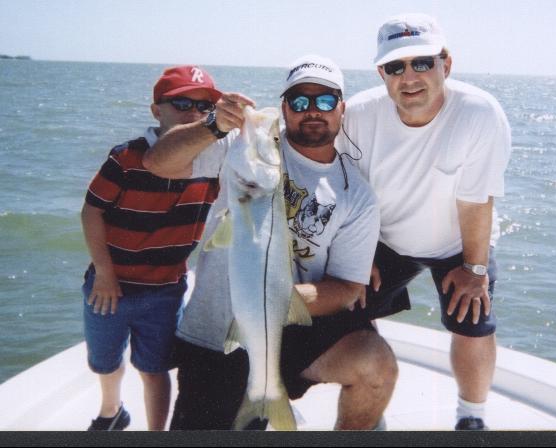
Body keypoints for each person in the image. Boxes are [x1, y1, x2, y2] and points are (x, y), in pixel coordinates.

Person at [143, 55, 398, 430]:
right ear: (284, 108)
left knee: (375, 362)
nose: (312, 110)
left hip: (292, 329)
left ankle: (279, 401)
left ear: (341, 108)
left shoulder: (355, 193)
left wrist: (277, 301)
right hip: (218, 330)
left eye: (325, 101)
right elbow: (157, 162)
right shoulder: (237, 146)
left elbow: (347, 287)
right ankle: (262, 403)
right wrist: (211, 124)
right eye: (299, 101)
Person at [339, 14, 512, 430]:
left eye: (422, 63)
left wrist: (474, 270)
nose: (409, 76)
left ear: (445, 65)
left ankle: (471, 416)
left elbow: (476, 202)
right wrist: (356, 256)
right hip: (386, 237)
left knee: (473, 320)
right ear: (382, 73)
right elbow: (346, 190)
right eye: (395, 67)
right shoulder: (358, 114)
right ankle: (369, 403)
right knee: (347, 308)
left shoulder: (480, 113)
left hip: (458, 238)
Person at [81, 65, 228, 430]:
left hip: (165, 290)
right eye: (181, 103)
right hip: (110, 285)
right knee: (105, 361)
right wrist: (104, 273)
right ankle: (111, 411)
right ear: (155, 110)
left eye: (203, 106)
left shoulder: (215, 165)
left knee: (155, 368)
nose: (193, 113)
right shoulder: (126, 158)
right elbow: (91, 211)